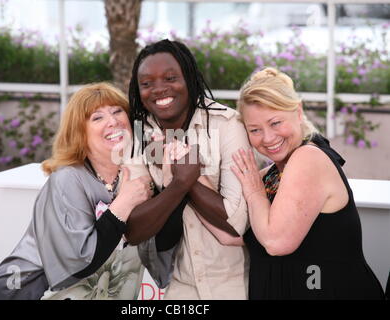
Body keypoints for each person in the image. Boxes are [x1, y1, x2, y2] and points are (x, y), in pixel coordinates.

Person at [0, 82, 153, 300]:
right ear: (79, 133)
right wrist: (125, 202)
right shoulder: (67, 179)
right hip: (29, 290)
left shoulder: (136, 172)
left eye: (117, 111)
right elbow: (79, 262)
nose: (113, 121)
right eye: (97, 117)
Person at [231, 67, 385, 300]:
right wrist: (188, 178)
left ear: (298, 111)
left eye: (275, 123)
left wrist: (253, 192)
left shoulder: (308, 158)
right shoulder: (269, 175)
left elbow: (276, 242)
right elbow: (229, 233)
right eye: (255, 130)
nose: (268, 138)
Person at [123, 39, 251, 299]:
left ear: (189, 78)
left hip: (234, 282)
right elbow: (133, 229)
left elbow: (237, 222)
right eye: (146, 84)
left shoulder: (225, 125)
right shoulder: (140, 132)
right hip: (179, 283)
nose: (159, 90)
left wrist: (189, 176)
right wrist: (180, 183)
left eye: (170, 78)